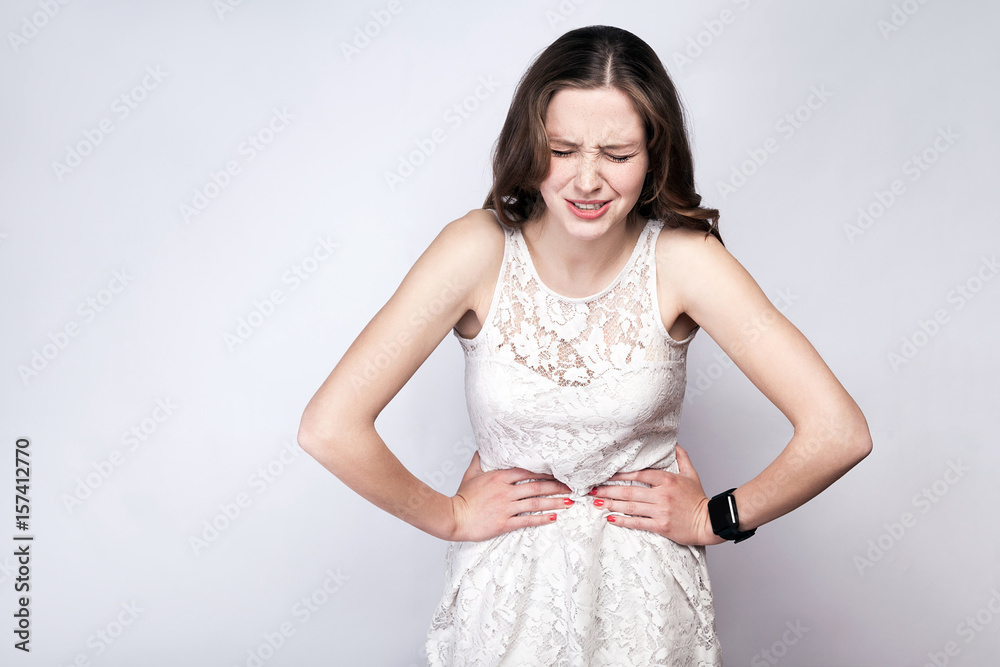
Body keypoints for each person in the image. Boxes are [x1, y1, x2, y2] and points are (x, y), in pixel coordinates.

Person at [297, 24, 872, 666]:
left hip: (647, 612)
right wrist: (451, 516)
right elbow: (330, 427)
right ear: (530, 143)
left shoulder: (686, 262)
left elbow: (838, 431)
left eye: (618, 154)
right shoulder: (475, 249)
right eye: (563, 149)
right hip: (505, 606)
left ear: (654, 153)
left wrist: (717, 517)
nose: (587, 180)